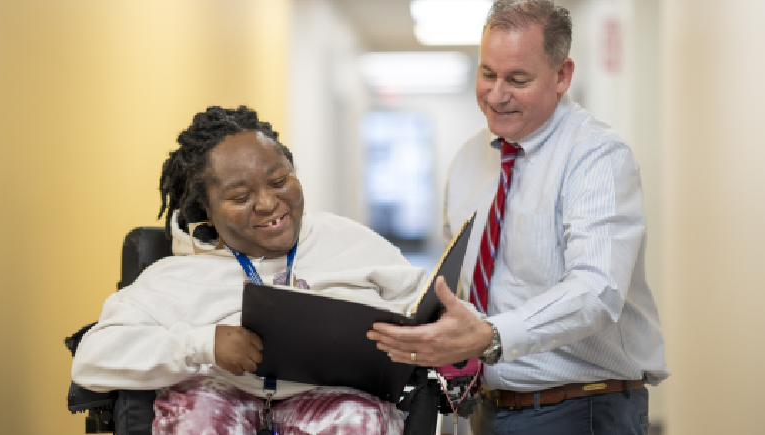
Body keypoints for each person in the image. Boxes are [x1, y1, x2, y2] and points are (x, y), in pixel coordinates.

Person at [368, 1, 670, 434]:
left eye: (518, 79)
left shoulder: (597, 156)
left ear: (562, 75)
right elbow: (459, 281)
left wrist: (489, 335)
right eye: (487, 73)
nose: (496, 94)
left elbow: (596, 289)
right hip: (491, 409)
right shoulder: (470, 158)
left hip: (582, 409)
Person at [71, 106, 428, 435]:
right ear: (206, 210)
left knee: (357, 418)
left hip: (330, 398)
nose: (269, 203)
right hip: (221, 398)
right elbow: (92, 359)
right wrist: (203, 345)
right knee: (198, 415)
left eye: (279, 181)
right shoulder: (176, 275)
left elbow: (431, 306)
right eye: (241, 198)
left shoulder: (349, 241)